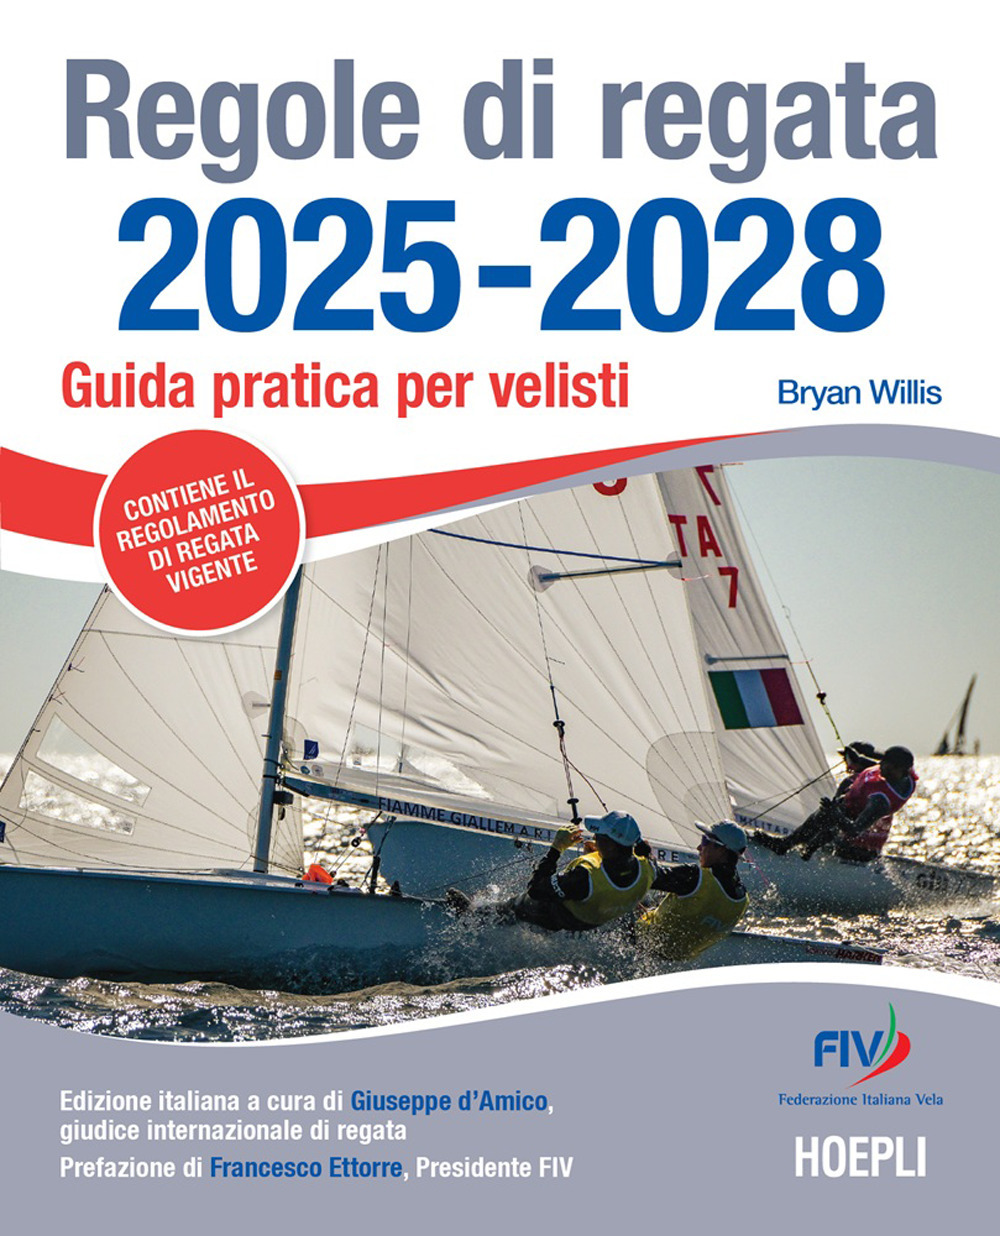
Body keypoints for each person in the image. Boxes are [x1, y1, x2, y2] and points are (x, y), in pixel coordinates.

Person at [448, 810, 657, 932]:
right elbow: (619, 866)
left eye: (598, 836)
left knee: (519, 904)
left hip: (561, 918)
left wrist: (557, 848)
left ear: (610, 846)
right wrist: (598, 852)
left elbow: (536, 890)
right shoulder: (647, 867)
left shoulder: (582, 878)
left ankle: (473, 914)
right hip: (595, 920)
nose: (594, 838)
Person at [753, 745, 918, 862]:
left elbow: (854, 830)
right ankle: (808, 846)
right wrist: (858, 758)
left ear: (898, 769)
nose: (880, 765)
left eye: (885, 765)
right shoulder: (905, 775)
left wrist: (834, 812)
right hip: (850, 811)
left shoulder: (880, 801)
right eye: (882, 762)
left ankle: (787, 846)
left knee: (827, 815)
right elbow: (881, 763)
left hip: (857, 849)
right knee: (835, 810)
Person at [637, 821, 749, 959]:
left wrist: (645, 855)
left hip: (641, 943)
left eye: (705, 841)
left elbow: (647, 877)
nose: (699, 847)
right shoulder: (742, 898)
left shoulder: (695, 877)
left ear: (721, 850)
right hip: (680, 960)